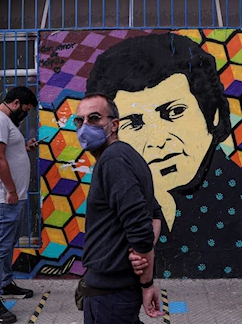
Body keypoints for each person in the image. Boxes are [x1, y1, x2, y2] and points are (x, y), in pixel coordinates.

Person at [85, 32, 242, 279]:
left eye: (174, 112)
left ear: (214, 115)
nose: (158, 141)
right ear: (113, 131)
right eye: (134, 123)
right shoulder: (116, 197)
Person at [76, 93, 164, 324]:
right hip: (116, 292)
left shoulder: (113, 161)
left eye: (94, 118)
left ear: (113, 125)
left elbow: (142, 231)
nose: (85, 127)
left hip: (110, 295)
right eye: (79, 121)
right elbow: (155, 214)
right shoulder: (126, 155)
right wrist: (139, 252)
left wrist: (147, 281)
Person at [0, 86, 39, 323]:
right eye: (25, 110)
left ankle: (5, 284)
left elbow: (6, 152)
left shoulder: (5, 121)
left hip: (11, 197)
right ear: (15, 103)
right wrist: (11, 190)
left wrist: (24, 148)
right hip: (3, 197)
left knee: (6, 243)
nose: (25, 115)